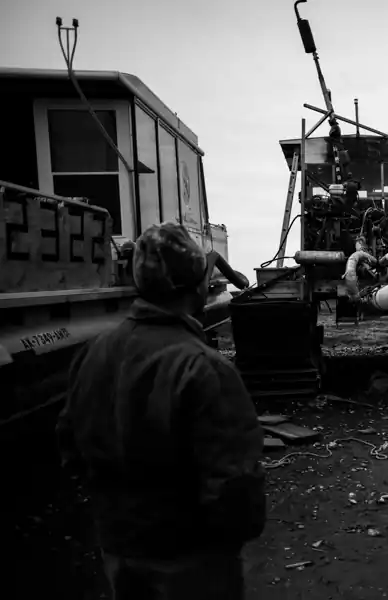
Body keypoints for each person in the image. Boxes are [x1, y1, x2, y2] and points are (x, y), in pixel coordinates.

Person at [56, 222, 266, 600]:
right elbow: (235, 485)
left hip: (119, 548)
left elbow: (70, 446)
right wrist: (230, 537)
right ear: (198, 286)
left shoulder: (93, 353)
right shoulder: (203, 368)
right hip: (190, 559)